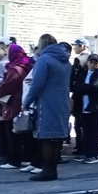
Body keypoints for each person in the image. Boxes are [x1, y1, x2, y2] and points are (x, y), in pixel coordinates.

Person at [22, 34, 71, 181]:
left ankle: (47, 170)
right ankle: (52, 169)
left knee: (47, 137)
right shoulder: (66, 61)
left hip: (47, 102)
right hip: (62, 101)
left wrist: (26, 101)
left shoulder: (44, 59)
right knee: (57, 138)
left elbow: (37, 83)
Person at [0, 43, 33, 170]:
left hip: (13, 102)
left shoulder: (16, 68)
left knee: (13, 132)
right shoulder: (27, 64)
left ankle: (14, 160)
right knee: (24, 132)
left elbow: (7, 86)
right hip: (23, 101)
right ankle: (26, 157)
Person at [73, 53, 98, 164]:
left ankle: (94, 154)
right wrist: (85, 88)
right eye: (91, 62)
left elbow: (95, 87)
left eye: (95, 62)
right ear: (87, 63)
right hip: (82, 106)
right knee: (85, 132)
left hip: (95, 107)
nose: (93, 64)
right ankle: (86, 153)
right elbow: (76, 87)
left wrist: (84, 88)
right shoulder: (83, 74)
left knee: (94, 132)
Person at [70, 38, 91, 153]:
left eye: (76, 45)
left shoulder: (79, 59)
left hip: (79, 93)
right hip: (91, 94)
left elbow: (73, 77)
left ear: (83, 46)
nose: (74, 48)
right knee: (88, 122)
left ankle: (80, 146)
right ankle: (88, 145)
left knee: (79, 122)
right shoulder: (94, 58)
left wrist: (72, 90)